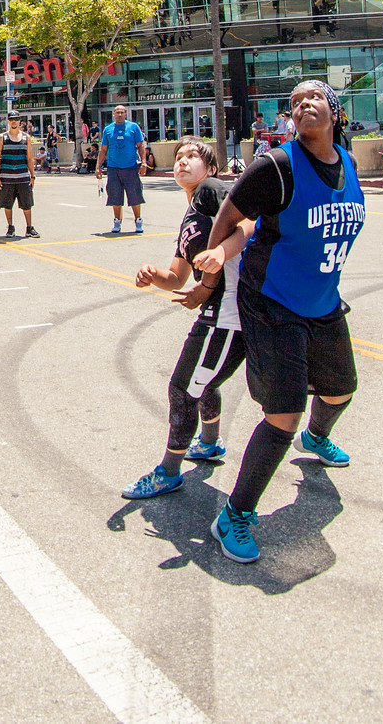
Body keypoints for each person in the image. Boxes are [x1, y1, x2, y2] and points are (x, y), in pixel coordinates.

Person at [195, 80, 363, 564]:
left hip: (323, 300)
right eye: (294, 103)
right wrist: (214, 270)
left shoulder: (347, 163)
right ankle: (235, 515)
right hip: (272, 302)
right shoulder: (279, 166)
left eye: (313, 98)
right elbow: (231, 212)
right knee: (282, 414)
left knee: (340, 391)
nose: (302, 105)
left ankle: (318, 436)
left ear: (335, 111)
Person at [121, 138, 255, 500]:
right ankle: (209, 444)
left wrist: (220, 253)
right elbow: (178, 277)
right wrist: (153, 274)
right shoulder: (191, 216)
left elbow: (249, 223)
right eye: (179, 156)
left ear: (210, 169)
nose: (182, 162)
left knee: (182, 390)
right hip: (218, 313)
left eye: (192, 156)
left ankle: (168, 471)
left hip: (228, 314)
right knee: (204, 382)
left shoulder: (211, 191)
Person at [99, 104, 147, 234]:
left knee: (135, 195)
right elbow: (103, 149)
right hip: (113, 168)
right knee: (115, 196)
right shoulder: (108, 130)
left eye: (122, 112)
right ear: (113, 114)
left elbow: (141, 146)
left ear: (126, 114)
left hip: (130, 167)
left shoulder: (133, 127)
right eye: (117, 112)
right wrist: (98, 167)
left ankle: (138, 221)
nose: (119, 114)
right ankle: (117, 222)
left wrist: (143, 163)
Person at [0, 112, 39, 238]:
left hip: (23, 176)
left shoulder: (26, 138)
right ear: (8, 121)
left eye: (16, 119)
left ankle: (29, 228)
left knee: (27, 203)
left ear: (20, 121)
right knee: (7, 204)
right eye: (12, 119)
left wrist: (32, 176)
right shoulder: (2, 137)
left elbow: (29, 158)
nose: (14, 121)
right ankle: (10, 227)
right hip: (7, 177)